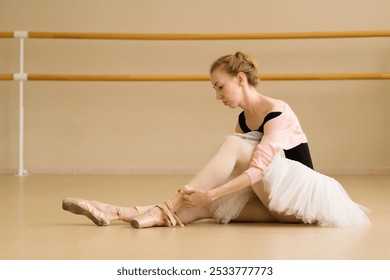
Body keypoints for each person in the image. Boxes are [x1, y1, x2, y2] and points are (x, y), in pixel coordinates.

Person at [62, 52, 371, 228]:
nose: (217, 95)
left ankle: (163, 208)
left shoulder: (278, 111)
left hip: (304, 200)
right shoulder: (242, 119)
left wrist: (209, 194)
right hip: (273, 204)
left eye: (220, 87)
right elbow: (238, 175)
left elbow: (258, 171)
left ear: (240, 79)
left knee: (231, 154)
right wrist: (207, 199)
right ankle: (114, 211)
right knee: (202, 210)